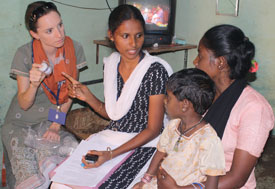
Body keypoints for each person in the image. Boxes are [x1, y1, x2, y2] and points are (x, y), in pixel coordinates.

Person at [51, 4, 173, 189]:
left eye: (139, 35)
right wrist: (88, 97)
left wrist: (110, 154)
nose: (133, 43)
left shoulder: (154, 70)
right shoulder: (112, 65)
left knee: (106, 184)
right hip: (113, 137)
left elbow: (153, 129)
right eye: (125, 36)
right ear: (111, 35)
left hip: (144, 143)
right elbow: (114, 113)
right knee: (62, 183)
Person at [157, 24, 275, 188]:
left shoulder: (255, 109)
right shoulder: (204, 92)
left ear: (220, 62)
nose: (195, 61)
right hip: (187, 175)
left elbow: (237, 177)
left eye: (200, 55)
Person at [1, 1, 87, 188]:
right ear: (34, 34)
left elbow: (69, 94)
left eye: (60, 25)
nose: (59, 34)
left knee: (67, 158)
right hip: (20, 121)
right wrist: (33, 84)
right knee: (30, 177)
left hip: (50, 118)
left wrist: (56, 125)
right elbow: (24, 103)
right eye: (49, 31)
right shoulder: (24, 54)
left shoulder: (73, 49)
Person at [133, 68, 226, 189]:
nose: (164, 101)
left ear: (184, 105)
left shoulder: (208, 140)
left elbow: (211, 185)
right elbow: (160, 153)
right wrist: (146, 179)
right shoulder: (173, 125)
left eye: (169, 97)